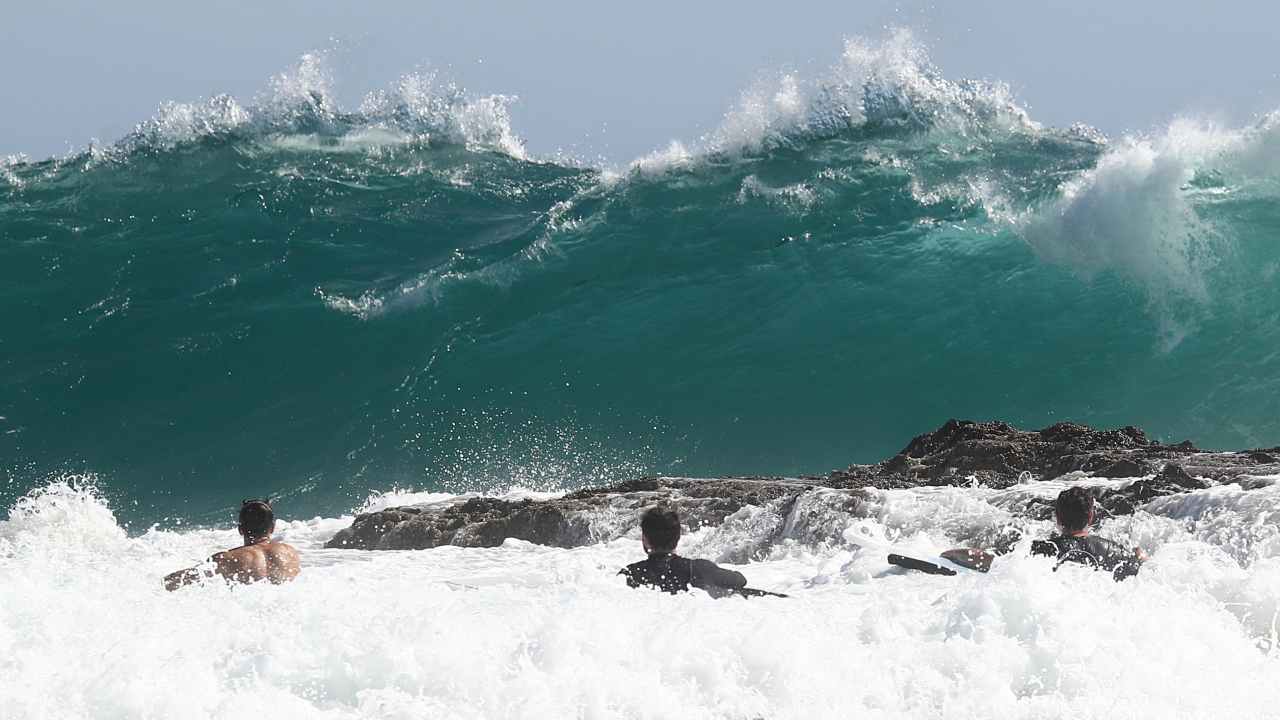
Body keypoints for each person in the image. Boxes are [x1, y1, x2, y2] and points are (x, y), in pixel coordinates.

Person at [164, 499, 301, 591]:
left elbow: (177, 581)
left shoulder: (227, 558)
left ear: (240, 529)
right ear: (273, 527)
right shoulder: (290, 552)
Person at [619, 507, 750, 598]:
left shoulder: (629, 574)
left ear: (645, 539)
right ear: (678, 538)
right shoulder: (699, 569)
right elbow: (740, 581)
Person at [1031, 487, 1146, 581]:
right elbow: (1141, 572)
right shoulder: (1111, 550)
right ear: (1090, 517)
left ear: (1058, 518)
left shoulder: (1040, 549)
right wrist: (1140, 557)